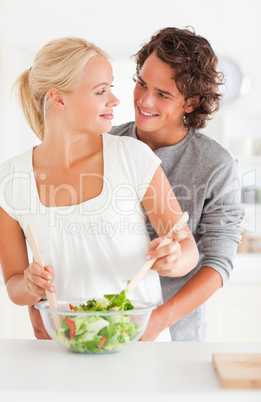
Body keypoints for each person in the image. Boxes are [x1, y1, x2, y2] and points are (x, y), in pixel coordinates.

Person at [0, 37, 199, 341]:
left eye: (112, 88)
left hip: (137, 347)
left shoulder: (132, 156)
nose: (115, 100)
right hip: (64, 348)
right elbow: (14, 285)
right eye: (101, 91)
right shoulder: (11, 179)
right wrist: (28, 285)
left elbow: (187, 250)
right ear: (59, 99)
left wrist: (174, 258)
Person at [109, 27, 244, 341]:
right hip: (104, 321)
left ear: (191, 102)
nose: (144, 100)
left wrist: (157, 321)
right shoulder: (105, 144)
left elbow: (218, 261)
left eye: (163, 94)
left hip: (176, 335)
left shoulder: (216, 164)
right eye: (142, 83)